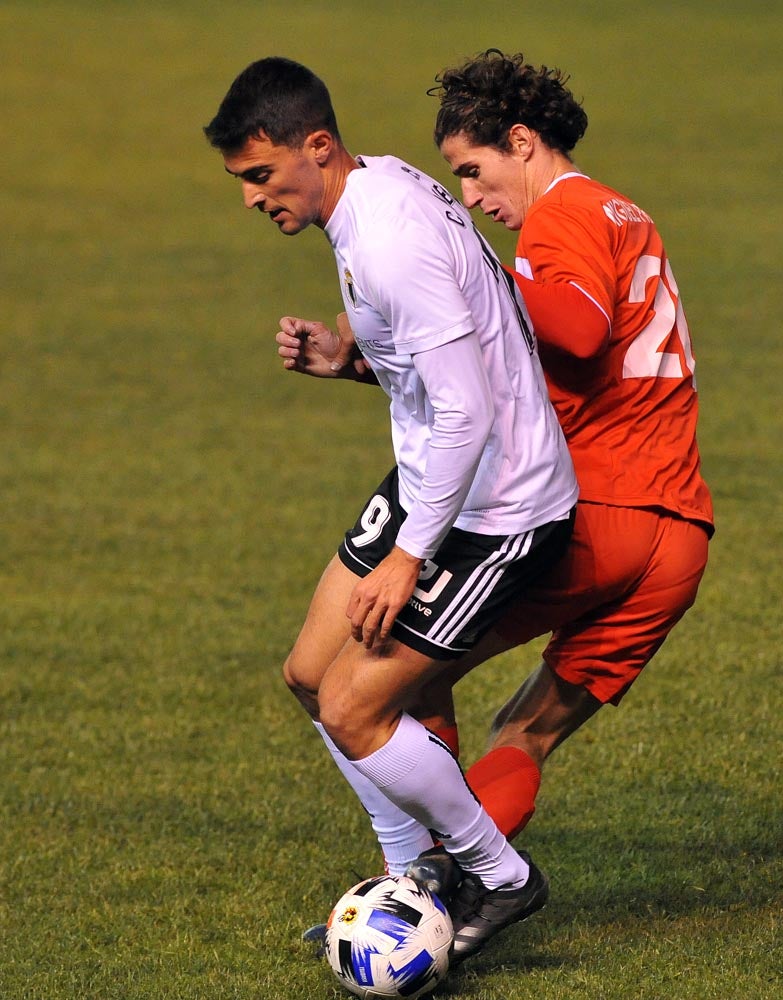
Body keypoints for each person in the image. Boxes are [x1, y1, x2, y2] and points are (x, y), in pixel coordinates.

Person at [279, 49, 714, 913]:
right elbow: (516, 368)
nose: (473, 198)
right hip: (677, 539)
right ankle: (452, 889)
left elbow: (578, 332)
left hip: (597, 515)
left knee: (386, 681)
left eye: (474, 172)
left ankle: (438, 888)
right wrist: (366, 363)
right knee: (524, 731)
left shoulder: (562, 217)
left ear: (522, 141)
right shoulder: (625, 214)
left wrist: (473, 268)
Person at [204, 56, 579, 962]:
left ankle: (498, 876)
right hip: (433, 479)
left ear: (317, 147)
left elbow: (469, 409)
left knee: (352, 706)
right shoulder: (369, 190)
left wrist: (410, 554)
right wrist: (348, 361)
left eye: (261, 175)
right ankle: (411, 877)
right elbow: (444, 361)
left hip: (497, 503)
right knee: (308, 673)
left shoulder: (385, 241)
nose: (253, 199)